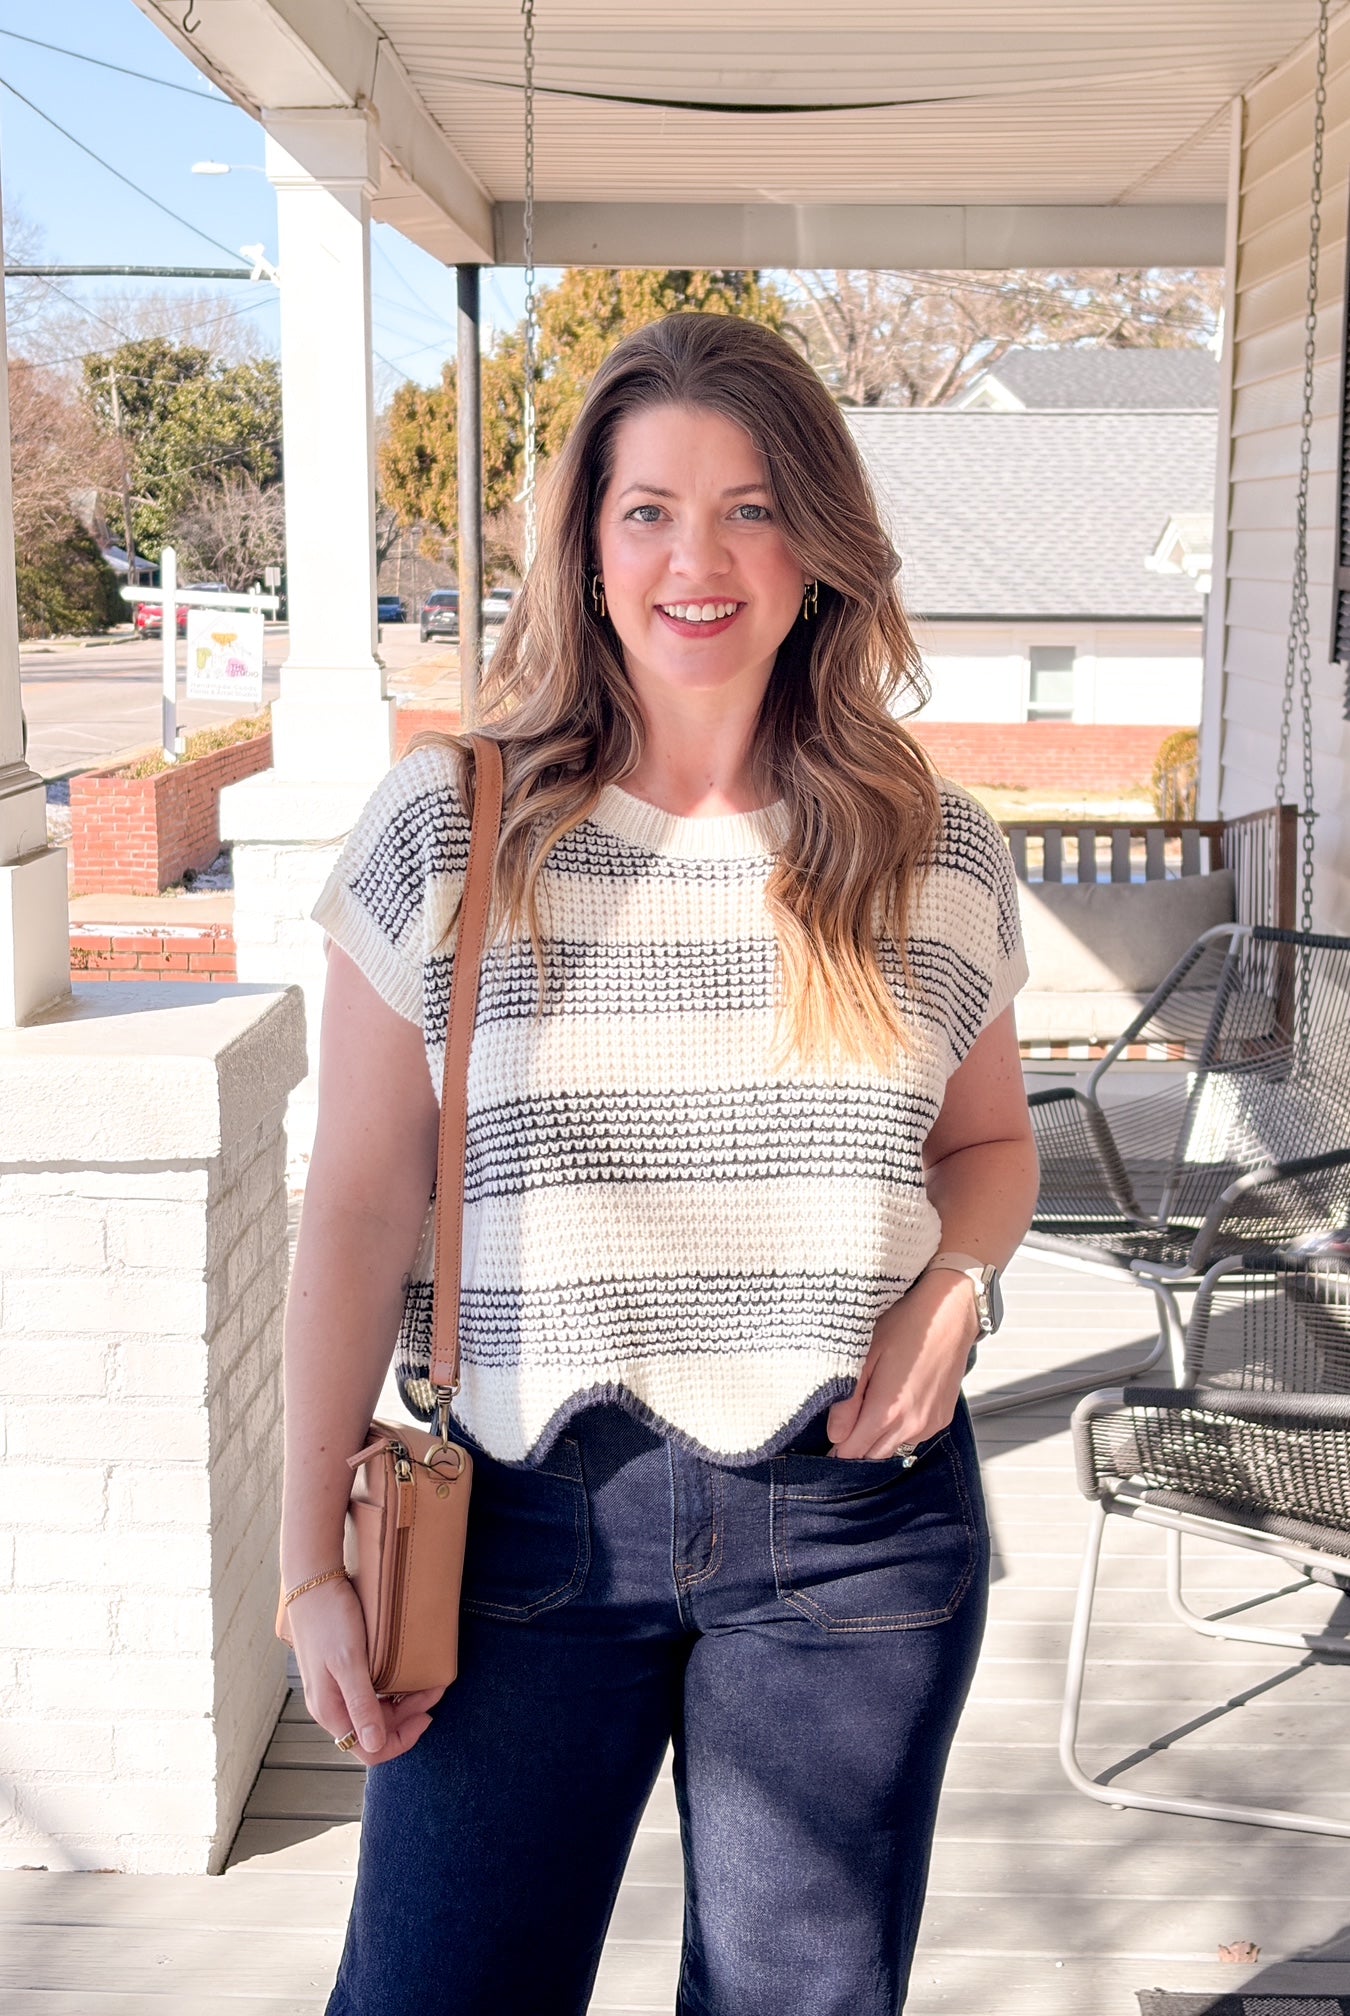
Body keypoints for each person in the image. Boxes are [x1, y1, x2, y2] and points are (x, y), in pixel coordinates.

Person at [280, 311, 1038, 2016]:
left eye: (752, 507)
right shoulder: (451, 825)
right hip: (519, 1524)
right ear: (586, 544)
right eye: (648, 510)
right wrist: (306, 1566)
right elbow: (353, 1203)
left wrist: (955, 1290)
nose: (697, 559)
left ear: (817, 547)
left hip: (856, 1528)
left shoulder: (929, 843)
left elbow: (987, 1148)